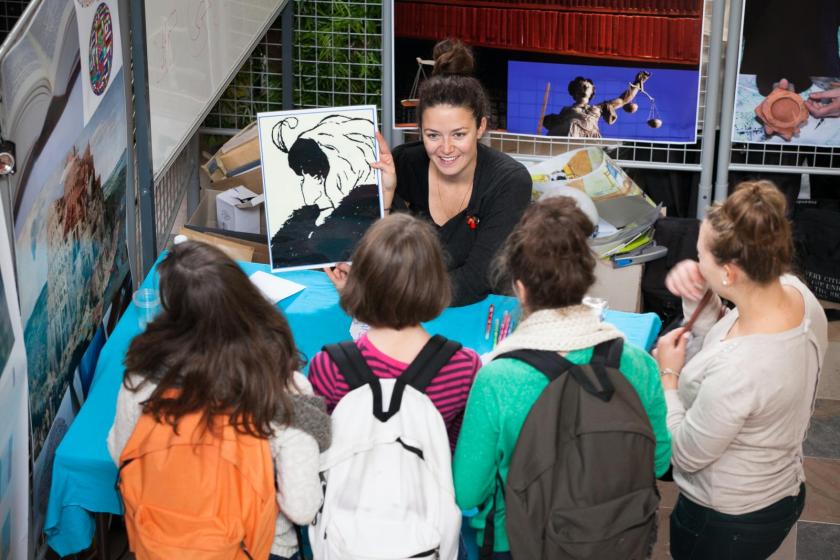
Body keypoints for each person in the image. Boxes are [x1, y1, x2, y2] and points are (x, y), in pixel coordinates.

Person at [453, 197, 672, 558]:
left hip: (520, 542)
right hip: (615, 537)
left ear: (519, 287)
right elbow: (660, 462)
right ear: (587, 280)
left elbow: (468, 491)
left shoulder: (498, 378)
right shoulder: (636, 364)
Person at [106, 241, 330, 560]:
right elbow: (303, 507)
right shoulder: (280, 388)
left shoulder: (140, 382)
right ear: (244, 301)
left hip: (160, 544)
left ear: (171, 313)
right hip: (260, 548)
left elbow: (121, 455)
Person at [654, 180, 829, 560]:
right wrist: (703, 297)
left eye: (700, 255)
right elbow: (732, 331)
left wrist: (669, 375)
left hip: (727, 519)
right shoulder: (796, 292)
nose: (696, 262)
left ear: (731, 272)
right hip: (782, 487)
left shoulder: (741, 369)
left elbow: (684, 454)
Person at [330, 39, 532, 306]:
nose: (446, 149)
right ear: (420, 130)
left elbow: (475, 281)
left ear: (481, 127)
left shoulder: (509, 181)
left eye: (459, 134)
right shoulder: (403, 165)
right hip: (408, 310)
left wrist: (382, 291)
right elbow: (380, 256)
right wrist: (386, 196)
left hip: (477, 312)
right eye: (433, 135)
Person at [309, 212, 481, 451]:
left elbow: (316, 449)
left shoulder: (329, 366)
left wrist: (355, 300)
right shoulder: (464, 368)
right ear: (437, 282)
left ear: (361, 282)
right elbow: (454, 450)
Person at [269, 114, 381, 268]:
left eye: (315, 175)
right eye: (303, 178)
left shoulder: (370, 221)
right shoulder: (297, 230)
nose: (307, 192)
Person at [542, 71, 651, 138]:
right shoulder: (565, 110)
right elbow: (549, 123)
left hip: (589, 141)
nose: (585, 87)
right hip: (570, 138)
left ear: (592, 92)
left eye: (588, 86)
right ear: (574, 91)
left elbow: (623, 100)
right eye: (581, 86)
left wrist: (637, 83)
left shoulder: (598, 108)